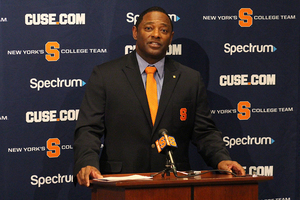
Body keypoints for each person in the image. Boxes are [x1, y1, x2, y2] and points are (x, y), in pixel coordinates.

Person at [73, 6, 245, 187]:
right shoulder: (105, 75)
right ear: (135, 32)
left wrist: (221, 159)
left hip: (173, 183)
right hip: (120, 184)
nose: (156, 34)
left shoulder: (189, 79)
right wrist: (87, 163)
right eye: (149, 28)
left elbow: (204, 132)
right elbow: (88, 129)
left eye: (163, 30)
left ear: (170, 37)